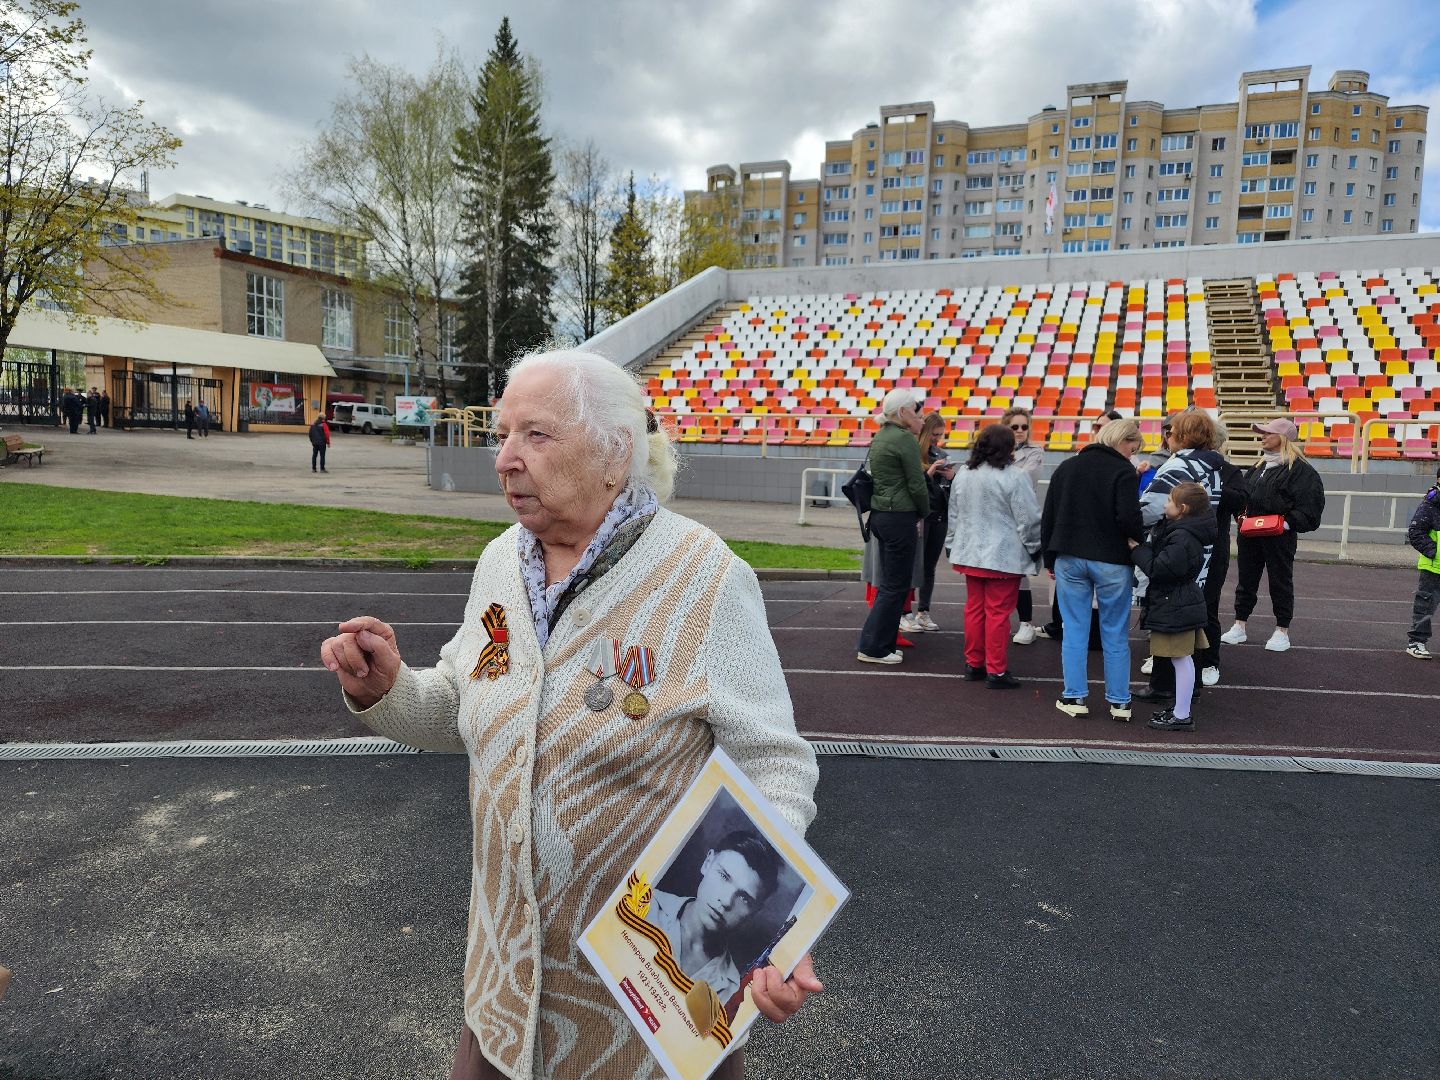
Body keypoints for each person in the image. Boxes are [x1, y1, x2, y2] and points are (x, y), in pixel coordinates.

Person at [320, 349, 820, 1080]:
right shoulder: (500, 562)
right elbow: (466, 703)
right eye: (501, 435)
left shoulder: (706, 577)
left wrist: (770, 930)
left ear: (616, 451)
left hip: (647, 1021)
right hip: (504, 1000)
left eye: (535, 435)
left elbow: (773, 762)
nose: (505, 460)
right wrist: (388, 689)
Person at [1041, 417, 1146, 720]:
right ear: (1120, 440)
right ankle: (1120, 702)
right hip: (1112, 559)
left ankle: (1074, 697)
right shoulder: (1123, 471)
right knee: (1114, 633)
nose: (1132, 453)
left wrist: (1050, 559)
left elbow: (1049, 516)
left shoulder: (1066, 468)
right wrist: (1139, 541)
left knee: (1074, 630)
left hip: (1070, 557)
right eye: (1132, 446)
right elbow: (1128, 517)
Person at [1133, 409, 1223, 706]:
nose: (1165, 437)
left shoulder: (1180, 465)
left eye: (1169, 432)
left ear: (1183, 435)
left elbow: (1150, 507)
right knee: (1188, 618)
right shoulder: (1213, 465)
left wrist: (1133, 536)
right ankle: (1182, 685)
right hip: (1200, 550)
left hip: (1174, 546)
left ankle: (1167, 688)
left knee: (1168, 617)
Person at [945, 423, 1041, 689]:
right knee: (998, 613)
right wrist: (1034, 547)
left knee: (974, 609)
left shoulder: (964, 473)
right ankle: (996, 670)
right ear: (1009, 448)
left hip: (970, 551)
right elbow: (1028, 518)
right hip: (1003, 555)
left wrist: (952, 542)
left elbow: (954, 512)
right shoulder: (1015, 476)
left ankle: (974, 663)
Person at [1220, 418, 1326, 653]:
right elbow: (1243, 496)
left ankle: (1282, 629)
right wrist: (1241, 517)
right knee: (1246, 580)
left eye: (1268, 433)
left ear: (1284, 438)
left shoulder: (1302, 471)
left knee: (1280, 581)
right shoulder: (1258, 467)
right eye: (1262, 433)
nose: (1262, 436)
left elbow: (1310, 507)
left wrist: (1285, 524)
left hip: (1279, 537)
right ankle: (1240, 624)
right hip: (1250, 535)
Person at [647, 830, 780, 1007]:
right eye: (724, 876)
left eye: (744, 898)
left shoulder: (732, 987)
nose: (725, 901)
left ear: (755, 911)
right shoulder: (646, 903)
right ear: (707, 862)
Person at [1129, 482, 1218, 731]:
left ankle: (1181, 714)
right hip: (1180, 601)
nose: (1165, 504)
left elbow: (1161, 569)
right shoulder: (1183, 531)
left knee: (1181, 658)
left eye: (1169, 501)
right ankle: (1181, 709)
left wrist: (1137, 551)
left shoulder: (1182, 536)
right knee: (1182, 658)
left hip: (1176, 603)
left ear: (1183, 508)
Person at [856, 387, 929, 665]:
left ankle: (881, 644)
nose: (918, 414)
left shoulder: (882, 437)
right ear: (903, 412)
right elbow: (916, 483)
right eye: (914, 409)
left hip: (881, 516)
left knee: (890, 585)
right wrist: (923, 510)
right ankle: (872, 646)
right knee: (894, 586)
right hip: (899, 517)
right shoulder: (904, 439)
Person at [1196, 426, 1248, 686]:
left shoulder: (1229, 471)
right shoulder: (1183, 464)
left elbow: (1241, 500)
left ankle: (1209, 661)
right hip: (1182, 544)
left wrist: (1212, 487)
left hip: (1214, 548)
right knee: (1172, 601)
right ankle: (1164, 656)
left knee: (1208, 605)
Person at [900, 412, 955, 634]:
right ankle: (904, 613)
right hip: (920, 516)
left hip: (939, 515)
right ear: (924, 432)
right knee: (913, 564)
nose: (937, 439)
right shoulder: (912, 452)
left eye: (940, 435)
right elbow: (913, 485)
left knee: (930, 566)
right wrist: (930, 472)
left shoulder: (940, 453)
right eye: (934, 434)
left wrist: (951, 477)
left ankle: (924, 611)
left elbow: (949, 488)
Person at [1003, 407, 1045, 644]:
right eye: (1015, 427)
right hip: (998, 517)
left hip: (1020, 517)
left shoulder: (1035, 452)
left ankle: (1026, 623)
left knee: (1021, 573)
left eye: (1024, 426)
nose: (1020, 431)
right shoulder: (997, 450)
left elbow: (1025, 480)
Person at [1404, 463, 1440, 659]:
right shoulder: (1431, 504)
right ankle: (1416, 642)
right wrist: (1433, 552)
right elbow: (1415, 532)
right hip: (1433, 567)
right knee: (1425, 605)